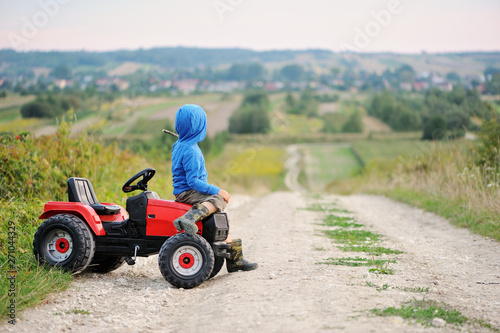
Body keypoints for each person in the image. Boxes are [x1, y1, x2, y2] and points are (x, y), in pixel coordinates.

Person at [171, 104, 257, 272]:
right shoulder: (191, 151)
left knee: (219, 219)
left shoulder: (179, 144)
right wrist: (218, 190)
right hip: (188, 192)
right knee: (218, 199)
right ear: (199, 127)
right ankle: (189, 218)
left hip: (183, 191)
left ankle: (235, 260)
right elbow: (194, 181)